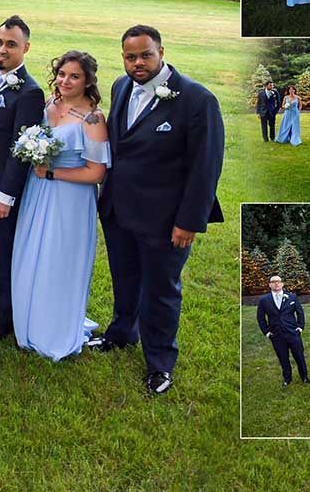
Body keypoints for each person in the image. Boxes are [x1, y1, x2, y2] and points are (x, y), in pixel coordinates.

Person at [94, 25, 224, 397]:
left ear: (161, 52)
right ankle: (121, 334)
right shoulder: (121, 87)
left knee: (161, 291)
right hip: (119, 210)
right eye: (130, 56)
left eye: (145, 55)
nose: (138, 62)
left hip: (166, 220)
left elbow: (206, 168)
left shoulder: (197, 100)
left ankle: (160, 363)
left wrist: (188, 221)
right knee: (125, 279)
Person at [12, 51, 109, 359]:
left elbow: (97, 172)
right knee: (31, 254)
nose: (66, 81)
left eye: (75, 76)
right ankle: (27, 317)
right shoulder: (50, 104)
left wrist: (52, 172)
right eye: (62, 74)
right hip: (37, 193)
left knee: (58, 261)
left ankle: (52, 328)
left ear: (88, 81)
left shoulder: (93, 119)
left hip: (70, 201)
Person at [0, 16, 45, 339]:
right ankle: (2, 304)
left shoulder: (30, 93)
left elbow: (21, 149)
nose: (2, 49)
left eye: (11, 44)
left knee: (4, 254)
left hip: (2, 191)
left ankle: (5, 318)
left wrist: (5, 196)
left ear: (26, 48)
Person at [255, 275, 308, 387]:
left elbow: (300, 313)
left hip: (293, 333)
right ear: (270, 285)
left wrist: (300, 327)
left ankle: (304, 377)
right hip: (277, 335)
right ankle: (287, 379)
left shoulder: (291, 297)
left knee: (299, 356)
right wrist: (267, 332)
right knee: (283, 358)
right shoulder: (264, 300)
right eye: (273, 282)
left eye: (278, 281)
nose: (276, 284)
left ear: (282, 284)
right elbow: (260, 317)